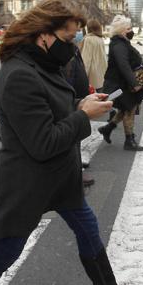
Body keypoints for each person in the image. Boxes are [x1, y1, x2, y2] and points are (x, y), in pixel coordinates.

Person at [0, 0, 118, 285]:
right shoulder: (19, 74)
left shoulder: (43, 62)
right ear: (43, 34)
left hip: (60, 178)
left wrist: (80, 103)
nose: (73, 45)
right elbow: (43, 142)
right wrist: (84, 116)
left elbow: (52, 107)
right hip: (29, 182)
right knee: (7, 250)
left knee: (88, 229)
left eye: (75, 37)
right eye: (67, 37)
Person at [98, 15, 143, 151]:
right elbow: (123, 66)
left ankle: (108, 128)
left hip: (121, 85)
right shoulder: (119, 45)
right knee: (130, 108)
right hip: (119, 86)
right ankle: (129, 140)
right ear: (122, 30)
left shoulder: (120, 43)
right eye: (128, 28)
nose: (131, 31)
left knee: (126, 107)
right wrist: (135, 83)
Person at [63, 26, 96, 187]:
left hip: (78, 98)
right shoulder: (64, 52)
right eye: (74, 28)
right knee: (72, 137)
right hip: (71, 100)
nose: (77, 32)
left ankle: (75, 168)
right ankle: (75, 173)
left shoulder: (74, 48)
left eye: (79, 29)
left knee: (76, 138)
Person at [81, 19, 107, 92]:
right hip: (101, 76)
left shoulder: (88, 39)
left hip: (92, 78)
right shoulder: (100, 39)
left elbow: (86, 61)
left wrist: (82, 77)